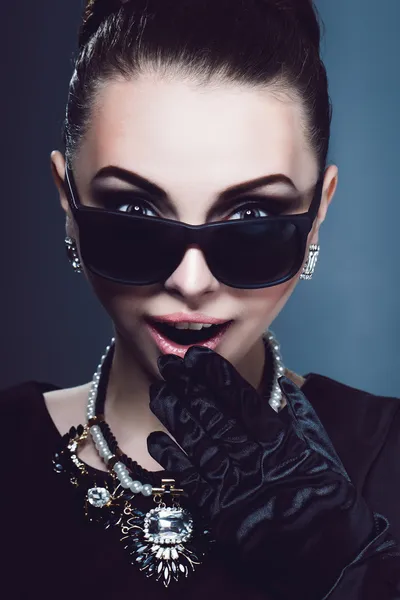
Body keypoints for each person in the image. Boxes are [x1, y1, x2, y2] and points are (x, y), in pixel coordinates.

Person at [1, 0, 399, 598]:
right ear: (69, 204)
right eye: (135, 214)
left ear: (316, 217)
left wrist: (352, 571)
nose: (191, 281)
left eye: (252, 217)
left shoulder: (388, 451)